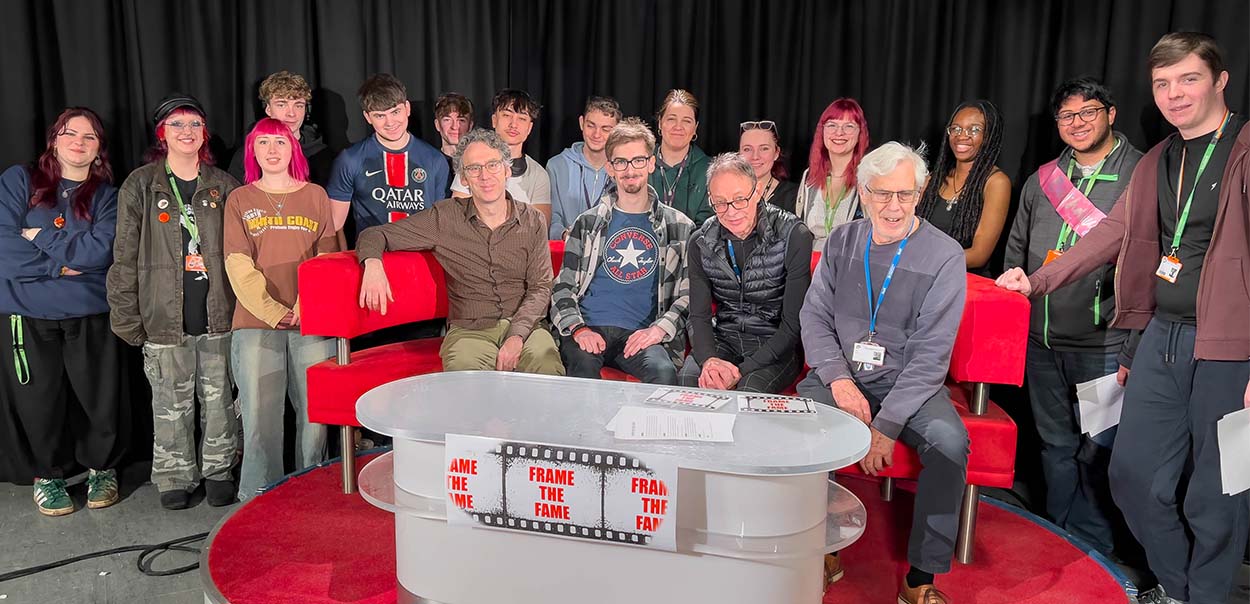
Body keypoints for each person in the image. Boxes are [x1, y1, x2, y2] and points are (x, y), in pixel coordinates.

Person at [997, 32, 1249, 604]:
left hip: (1232, 351)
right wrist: (1036, 280)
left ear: (1220, 80)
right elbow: (1111, 234)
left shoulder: (1244, 147)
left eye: (1189, 79)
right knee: (1132, 478)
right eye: (1163, 83)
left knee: (1219, 492)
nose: (1175, 93)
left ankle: (1200, 595)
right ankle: (1184, 589)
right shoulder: (1160, 158)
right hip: (1159, 337)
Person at [797, 142, 968, 604]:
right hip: (842, 375)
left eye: (906, 195)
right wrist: (838, 379)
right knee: (796, 427)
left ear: (921, 193)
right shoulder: (841, 241)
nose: (894, 206)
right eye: (882, 193)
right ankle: (820, 549)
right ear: (864, 193)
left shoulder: (946, 255)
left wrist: (886, 426)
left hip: (909, 383)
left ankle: (920, 578)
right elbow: (814, 318)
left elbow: (931, 355)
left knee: (950, 445)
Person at [1002, 77, 1143, 557]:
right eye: (1067, 116)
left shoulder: (1141, 174)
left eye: (1088, 113)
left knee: (1099, 451)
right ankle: (1056, 537)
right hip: (1042, 341)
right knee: (1054, 446)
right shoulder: (1042, 179)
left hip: (1104, 343)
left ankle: (1097, 547)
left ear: (1110, 113)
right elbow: (1015, 255)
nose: (1077, 123)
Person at [107, 93, 240, 510]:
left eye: (195, 124)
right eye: (177, 125)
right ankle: (174, 474)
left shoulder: (224, 185)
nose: (187, 132)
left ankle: (219, 468)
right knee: (169, 403)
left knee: (219, 398)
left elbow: (243, 251)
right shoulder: (141, 184)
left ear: (205, 133)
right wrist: (128, 316)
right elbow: (124, 255)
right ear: (162, 133)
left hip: (220, 313)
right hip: (164, 316)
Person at [0, 108, 128, 515]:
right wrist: (59, 263)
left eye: (89, 137)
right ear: (54, 140)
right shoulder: (19, 181)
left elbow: (101, 252)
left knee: (98, 396)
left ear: (99, 149)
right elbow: (4, 247)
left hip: (90, 309)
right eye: (70, 133)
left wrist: (40, 237)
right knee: (38, 398)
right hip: (26, 311)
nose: (78, 142)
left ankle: (101, 468)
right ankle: (48, 476)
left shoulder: (108, 196)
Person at [357, 129, 563, 376]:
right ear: (463, 178)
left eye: (493, 165)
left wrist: (516, 336)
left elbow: (541, 287)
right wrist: (373, 264)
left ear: (507, 170)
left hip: (526, 328)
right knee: (466, 385)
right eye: (474, 169)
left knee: (548, 368)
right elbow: (375, 234)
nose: (484, 175)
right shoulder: (445, 217)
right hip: (469, 332)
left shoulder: (533, 220)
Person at [224, 118, 339, 501]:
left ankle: (313, 489)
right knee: (259, 416)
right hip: (257, 323)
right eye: (264, 143)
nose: (272, 150)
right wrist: (274, 310)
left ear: (294, 149)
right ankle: (258, 497)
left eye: (281, 141)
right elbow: (237, 263)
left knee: (315, 417)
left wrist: (308, 304)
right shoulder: (240, 199)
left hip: (312, 321)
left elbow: (329, 255)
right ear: (252, 151)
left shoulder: (316, 196)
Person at [550, 117, 694, 383]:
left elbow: (688, 296)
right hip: (589, 328)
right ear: (610, 168)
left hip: (642, 335)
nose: (630, 169)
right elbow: (562, 287)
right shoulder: (587, 223)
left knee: (663, 373)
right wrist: (579, 329)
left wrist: (658, 331)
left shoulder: (680, 227)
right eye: (621, 162)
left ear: (651, 163)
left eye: (638, 160)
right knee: (581, 369)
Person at [678, 153, 812, 392]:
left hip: (774, 345)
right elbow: (697, 315)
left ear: (757, 191)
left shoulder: (794, 235)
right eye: (720, 202)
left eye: (740, 199)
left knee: (749, 389)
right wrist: (710, 360)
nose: (731, 212)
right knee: (691, 381)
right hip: (725, 337)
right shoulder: (700, 241)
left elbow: (792, 324)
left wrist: (740, 370)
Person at [326, 73, 449, 244]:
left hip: (421, 259)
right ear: (368, 117)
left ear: (407, 108)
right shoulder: (350, 159)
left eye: (395, 112)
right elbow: (334, 225)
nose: (390, 122)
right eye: (379, 116)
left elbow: (440, 225)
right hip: (373, 260)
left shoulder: (435, 160)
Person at [916, 99, 1011, 272]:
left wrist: (923, 258)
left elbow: (979, 254)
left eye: (974, 129)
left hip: (963, 283)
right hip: (924, 276)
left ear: (988, 135)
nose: (962, 135)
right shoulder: (933, 180)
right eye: (956, 128)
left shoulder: (996, 183)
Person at [451, 89, 552, 225]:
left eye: (522, 118)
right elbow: (455, 217)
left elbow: (540, 227)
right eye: (506, 115)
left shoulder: (538, 175)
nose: (513, 124)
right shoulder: (471, 161)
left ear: (529, 128)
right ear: (494, 120)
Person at [228, 71, 335, 186]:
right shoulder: (246, 155)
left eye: (298, 105)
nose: (291, 113)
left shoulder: (323, 155)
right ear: (268, 109)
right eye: (281, 105)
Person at [794, 99, 870, 250]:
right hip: (810, 265)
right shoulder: (809, 176)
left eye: (849, 126)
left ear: (860, 133)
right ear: (822, 131)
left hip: (849, 264)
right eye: (832, 125)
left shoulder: (868, 177)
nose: (839, 133)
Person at [546, 96, 621, 239]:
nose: (596, 134)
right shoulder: (556, 165)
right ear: (581, 123)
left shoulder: (623, 168)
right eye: (591, 125)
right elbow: (551, 216)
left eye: (605, 129)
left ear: (616, 131)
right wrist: (564, 234)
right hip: (566, 252)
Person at [647, 89, 712, 225]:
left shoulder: (710, 170)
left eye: (686, 121)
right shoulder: (640, 162)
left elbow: (708, 226)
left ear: (695, 128)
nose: (678, 127)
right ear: (660, 123)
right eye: (671, 119)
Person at [738, 119, 798, 214]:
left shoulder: (794, 196)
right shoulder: (726, 192)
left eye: (764, 148)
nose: (755, 157)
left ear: (776, 153)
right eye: (747, 149)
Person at [433, 92, 474, 187]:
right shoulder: (429, 162)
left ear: (470, 126)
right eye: (447, 120)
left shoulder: (478, 162)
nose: (455, 127)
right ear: (437, 125)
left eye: (461, 120)